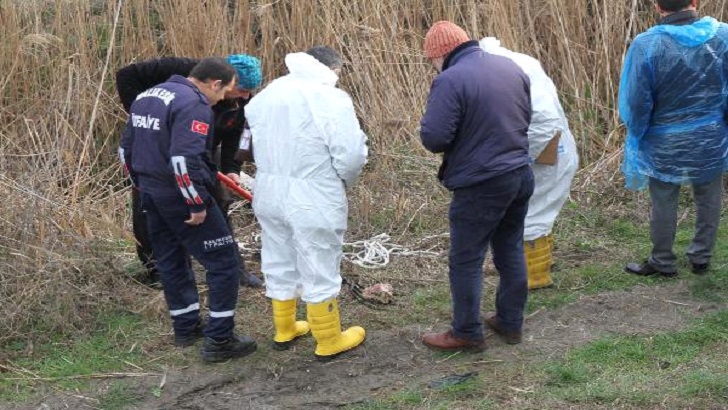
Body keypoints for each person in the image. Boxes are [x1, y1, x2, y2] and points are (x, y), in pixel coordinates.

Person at [119, 57, 257, 363]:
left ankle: (186, 327)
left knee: (171, 259)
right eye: (224, 93)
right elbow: (183, 161)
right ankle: (220, 340)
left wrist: (142, 188)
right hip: (181, 196)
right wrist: (195, 202)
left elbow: (125, 150)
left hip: (151, 194)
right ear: (214, 83)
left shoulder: (147, 96)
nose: (221, 101)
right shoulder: (193, 104)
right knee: (223, 263)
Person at [243, 46, 368, 359]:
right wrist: (343, 181)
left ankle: (284, 329)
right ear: (331, 69)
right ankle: (328, 339)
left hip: (268, 190)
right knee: (319, 260)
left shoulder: (265, 97)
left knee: (278, 256)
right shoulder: (329, 97)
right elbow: (350, 154)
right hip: (312, 191)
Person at [418, 21, 534, 352]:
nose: (432, 65)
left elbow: (435, 138)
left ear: (439, 54)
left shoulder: (450, 79)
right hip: (520, 171)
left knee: (466, 258)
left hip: (482, 181)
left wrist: (425, 127)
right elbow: (526, 115)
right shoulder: (509, 65)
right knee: (510, 247)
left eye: (430, 59)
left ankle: (467, 331)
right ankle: (510, 323)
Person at [619, 0, 728, 277]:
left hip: (663, 139)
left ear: (657, 7)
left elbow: (637, 100)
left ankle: (662, 261)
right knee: (709, 197)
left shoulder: (646, 45)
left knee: (664, 199)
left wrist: (637, 132)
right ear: (695, 2)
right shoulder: (723, 37)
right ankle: (701, 258)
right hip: (710, 136)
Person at [480, 37, 579, 290]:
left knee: (532, 215)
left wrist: (518, 153)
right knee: (533, 211)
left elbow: (544, 122)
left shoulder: (510, 71)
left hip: (547, 152)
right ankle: (532, 267)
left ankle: (534, 276)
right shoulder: (521, 64)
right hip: (548, 148)